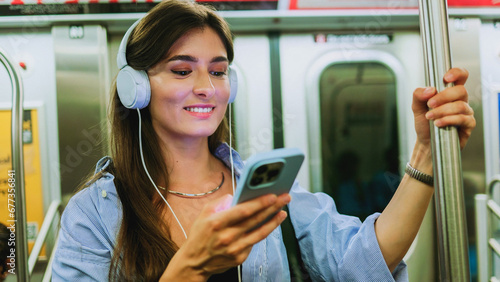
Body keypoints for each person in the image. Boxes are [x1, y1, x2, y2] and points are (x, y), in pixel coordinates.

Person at [51, 0, 476, 281]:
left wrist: (427, 153)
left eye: (218, 71)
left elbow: (365, 259)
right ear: (136, 89)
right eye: (182, 71)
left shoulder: (265, 190)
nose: (207, 87)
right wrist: (190, 266)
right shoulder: (97, 213)